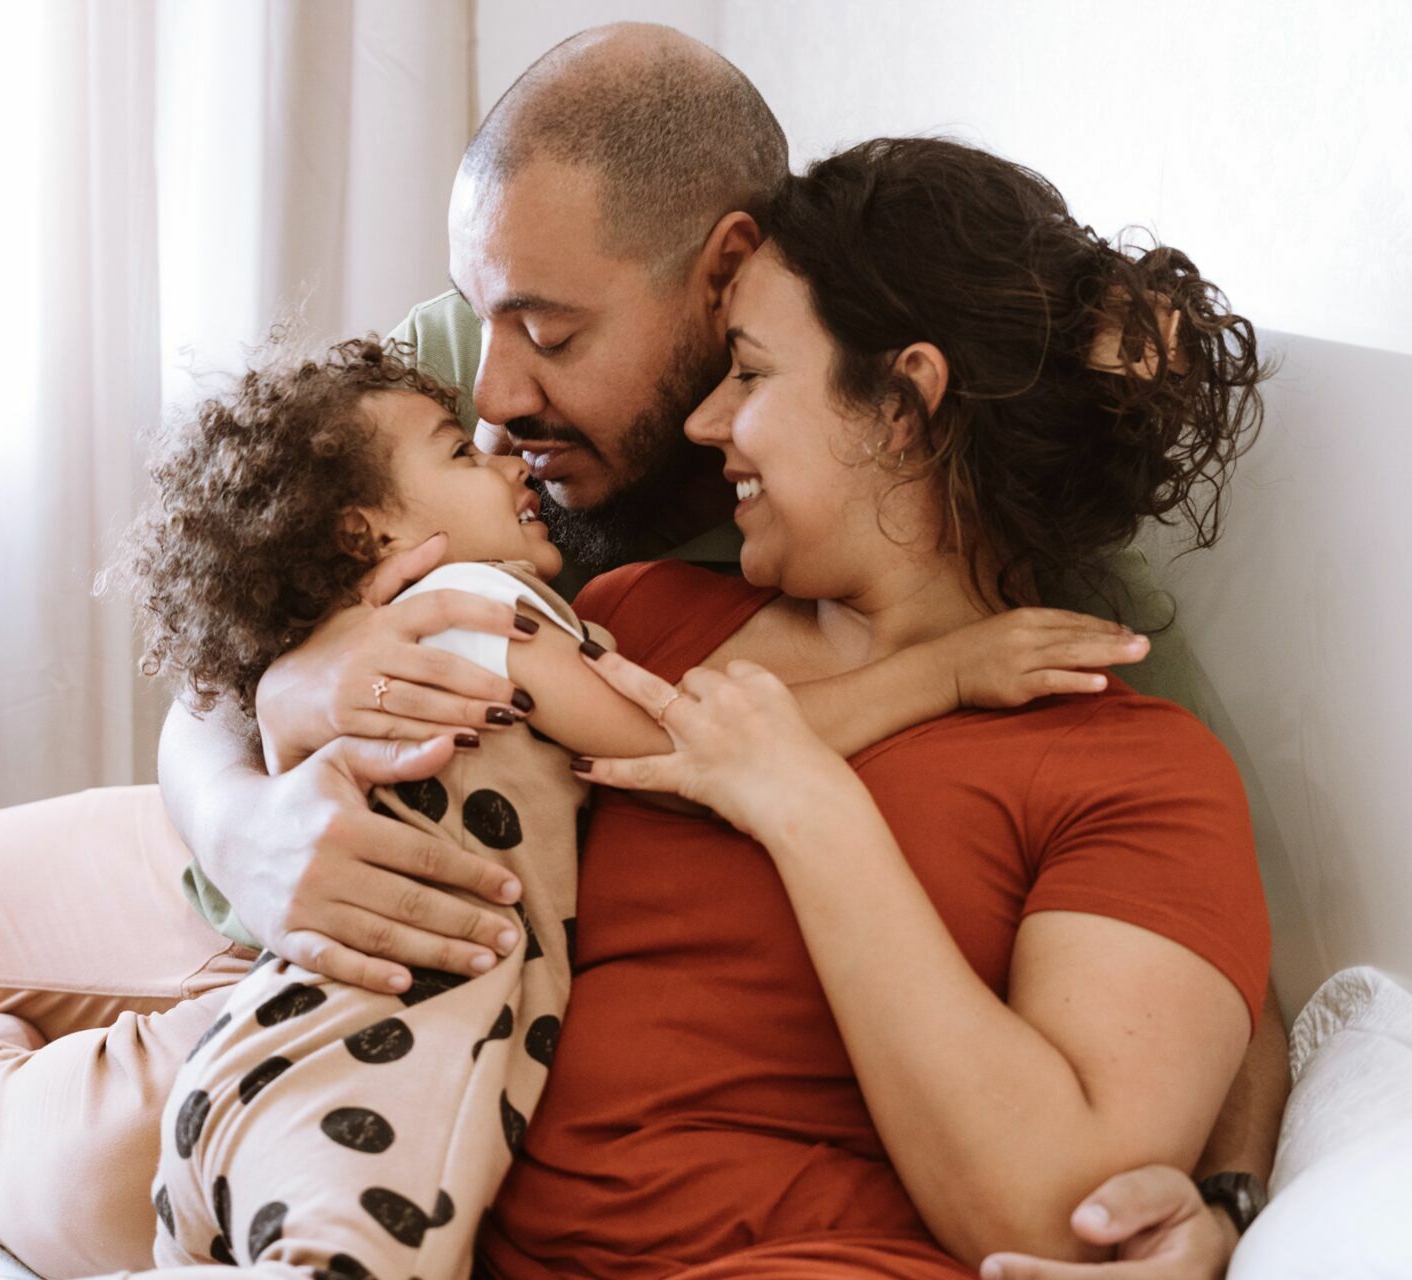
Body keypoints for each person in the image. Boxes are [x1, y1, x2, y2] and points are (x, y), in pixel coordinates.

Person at [0, 22, 1284, 1280]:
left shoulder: (1086, 658)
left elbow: (1207, 981)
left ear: (741, 287)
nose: (496, 390)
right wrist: (261, 772)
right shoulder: (515, 400)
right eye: (484, 321)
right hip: (324, 924)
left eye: (559, 335)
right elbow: (306, 603)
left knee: (93, 1158)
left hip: (433, 1078)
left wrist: (1225, 1202)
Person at [124, 333, 1146, 1277]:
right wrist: (946, 673)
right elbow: (692, 744)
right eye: (459, 456)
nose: (502, 451)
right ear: (371, 530)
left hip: (267, 1053)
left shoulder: (425, 627)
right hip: (388, 1050)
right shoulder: (481, 608)